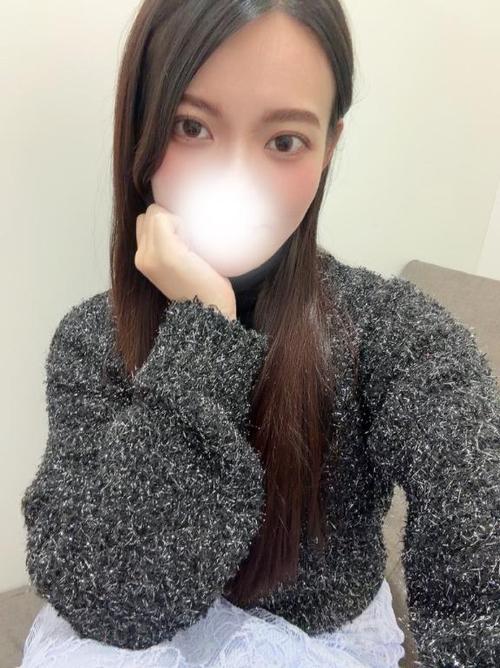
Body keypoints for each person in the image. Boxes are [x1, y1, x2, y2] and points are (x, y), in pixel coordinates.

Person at [19, 1, 500, 667]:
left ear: (329, 147)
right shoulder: (92, 340)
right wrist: (205, 331)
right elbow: (112, 603)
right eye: (191, 126)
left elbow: (476, 520)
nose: (235, 180)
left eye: (284, 141)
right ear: (141, 129)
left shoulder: (391, 332)